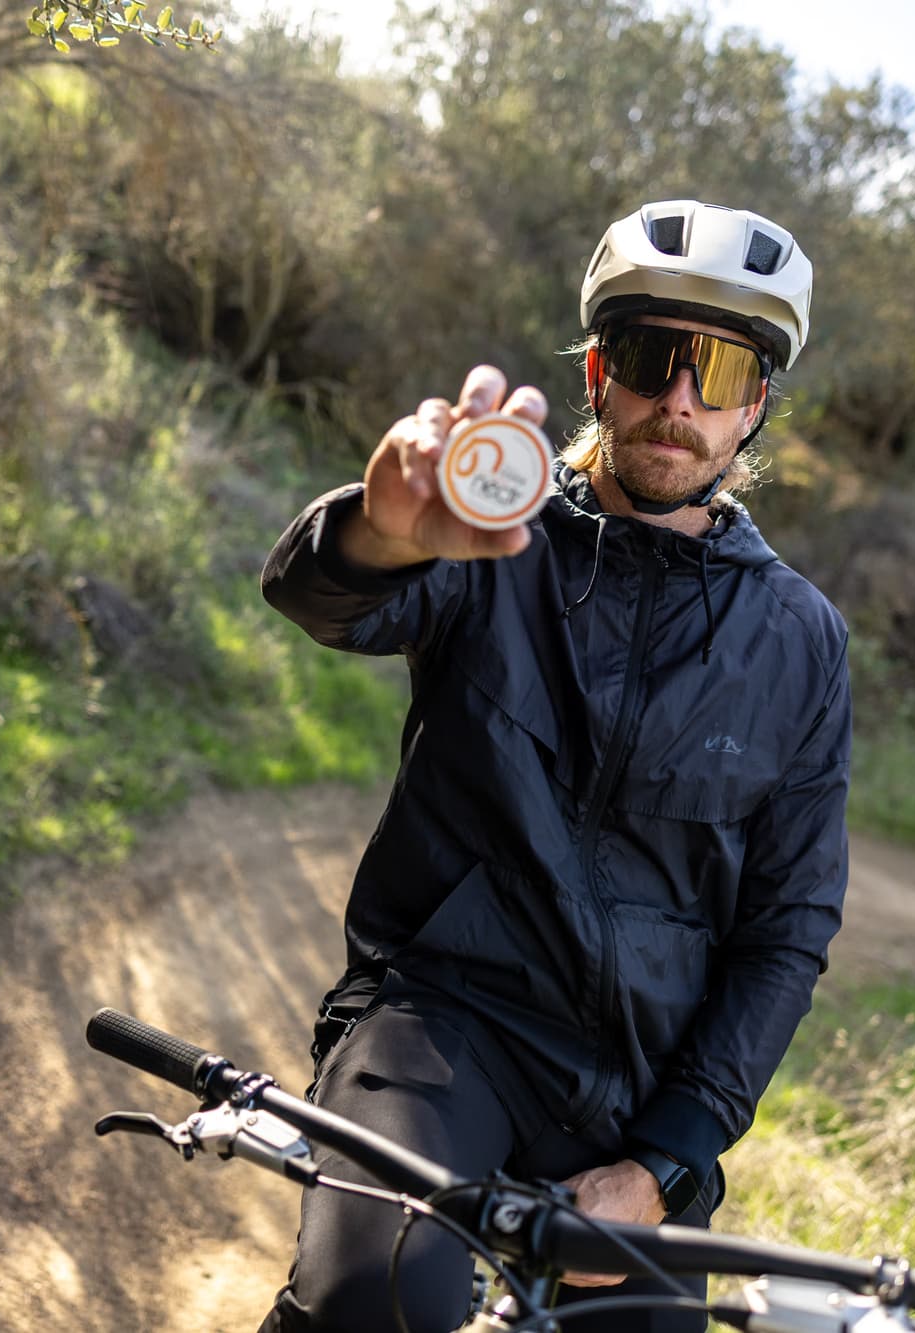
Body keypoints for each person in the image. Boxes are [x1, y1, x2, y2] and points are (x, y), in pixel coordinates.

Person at [257, 199, 852, 1333]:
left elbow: (786, 929)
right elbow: (322, 597)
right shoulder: (492, 540)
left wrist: (669, 1157)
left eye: (717, 369)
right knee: (371, 1299)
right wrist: (382, 528)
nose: (677, 398)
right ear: (596, 372)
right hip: (437, 1019)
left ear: (754, 405)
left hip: (639, 1091)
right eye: (647, 356)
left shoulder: (800, 640)